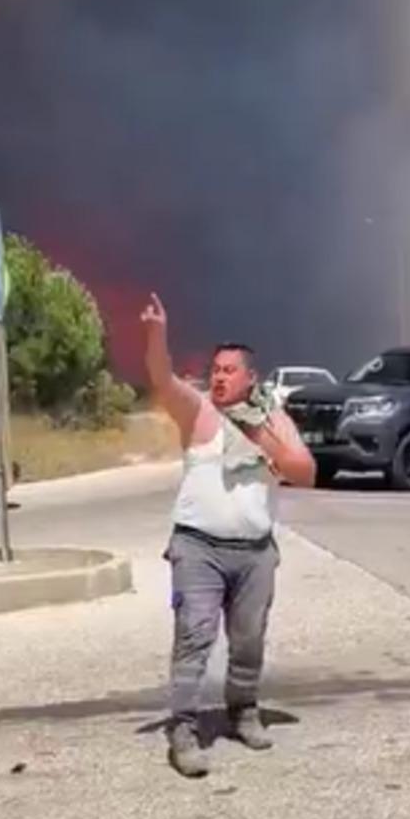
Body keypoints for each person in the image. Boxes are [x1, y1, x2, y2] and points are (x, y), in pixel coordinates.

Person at [141, 292, 316, 777]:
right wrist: (156, 334)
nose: (219, 376)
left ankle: (244, 711)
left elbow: (304, 471)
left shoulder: (273, 420)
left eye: (229, 370)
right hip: (199, 548)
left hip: (255, 553)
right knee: (194, 635)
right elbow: (161, 376)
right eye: (215, 369)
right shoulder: (196, 411)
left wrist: (260, 433)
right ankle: (182, 727)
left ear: (250, 377)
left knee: (248, 640)